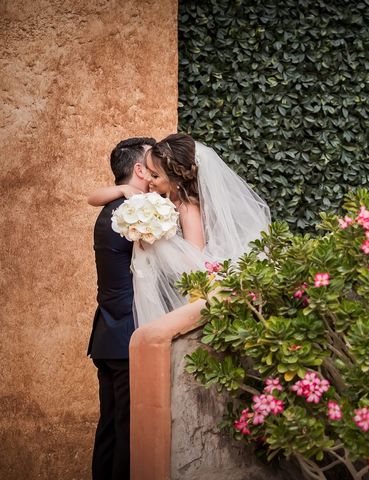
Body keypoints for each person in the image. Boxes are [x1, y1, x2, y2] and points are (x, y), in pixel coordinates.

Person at [89, 133, 271, 327]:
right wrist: (122, 189)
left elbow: (194, 261)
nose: (149, 179)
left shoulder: (187, 208)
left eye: (155, 175)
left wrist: (157, 244)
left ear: (174, 179)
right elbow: (92, 198)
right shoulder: (161, 200)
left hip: (183, 296)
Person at [87, 137, 156, 480]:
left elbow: (94, 196)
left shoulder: (112, 208)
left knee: (111, 427)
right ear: (140, 170)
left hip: (108, 335)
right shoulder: (136, 213)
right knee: (128, 431)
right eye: (152, 160)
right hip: (129, 334)